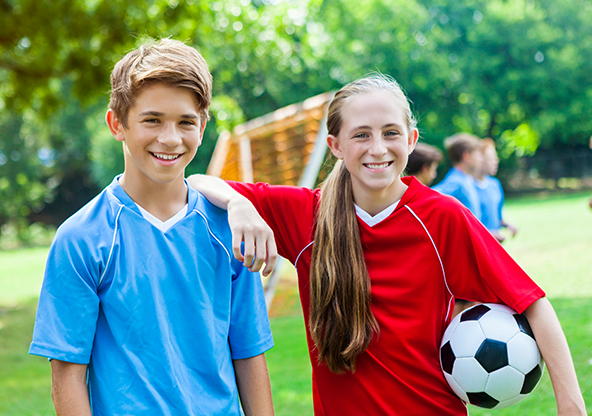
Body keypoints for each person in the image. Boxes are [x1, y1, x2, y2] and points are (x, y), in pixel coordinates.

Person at [188, 74, 586, 415]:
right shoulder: (304, 214)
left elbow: (533, 304)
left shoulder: (442, 217)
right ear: (336, 146)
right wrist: (240, 204)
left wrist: (571, 405)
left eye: (390, 133)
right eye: (361, 135)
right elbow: (194, 183)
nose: (377, 148)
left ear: (411, 140)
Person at [29, 38, 274, 416]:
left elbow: (249, 355)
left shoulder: (229, 232)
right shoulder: (81, 239)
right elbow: (67, 376)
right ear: (117, 124)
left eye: (185, 122)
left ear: (203, 127)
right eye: (152, 120)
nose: (170, 139)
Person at [474, 138, 517, 243]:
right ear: (478, 159)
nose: (495, 162)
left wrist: (508, 225)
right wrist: (489, 234)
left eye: (495, 157)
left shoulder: (495, 185)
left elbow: (497, 217)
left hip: (495, 247)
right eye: (490, 158)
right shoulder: (466, 187)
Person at [432, 132, 483, 220]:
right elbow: (430, 197)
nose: (480, 159)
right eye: (477, 154)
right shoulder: (456, 181)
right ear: (466, 156)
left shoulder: (465, 179)